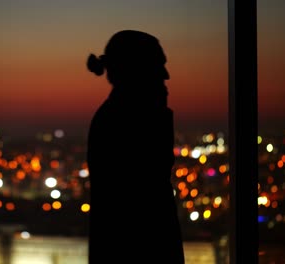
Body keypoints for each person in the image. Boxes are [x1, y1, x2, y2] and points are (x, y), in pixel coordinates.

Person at [86, 30, 185, 263]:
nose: (166, 75)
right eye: (157, 66)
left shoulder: (114, 118)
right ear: (135, 70)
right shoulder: (122, 123)